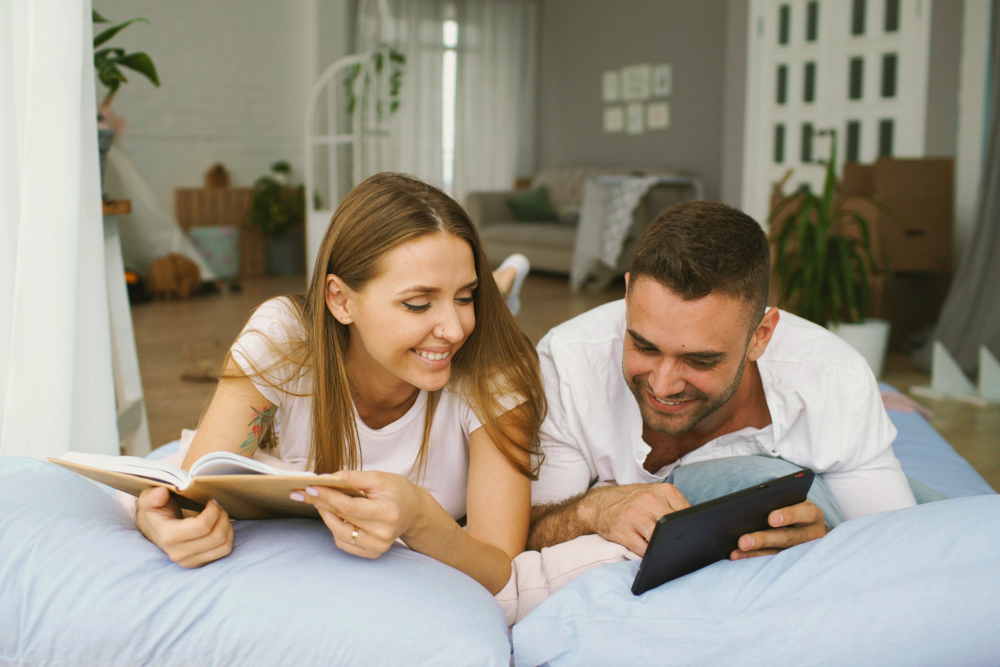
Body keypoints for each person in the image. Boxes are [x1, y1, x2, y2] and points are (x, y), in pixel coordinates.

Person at [128, 173, 545, 595]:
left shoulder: (493, 366)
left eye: (465, 295)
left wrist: (420, 519)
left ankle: (498, 285)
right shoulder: (284, 340)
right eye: (418, 303)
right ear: (341, 301)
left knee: (488, 316)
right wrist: (154, 519)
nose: (455, 330)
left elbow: (499, 567)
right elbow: (190, 490)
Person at [526, 200, 917, 558]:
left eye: (699, 361)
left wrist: (823, 543)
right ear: (627, 295)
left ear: (760, 337)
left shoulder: (834, 378)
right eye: (645, 347)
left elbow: (897, 551)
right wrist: (595, 509)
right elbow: (528, 532)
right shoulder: (569, 361)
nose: (663, 386)